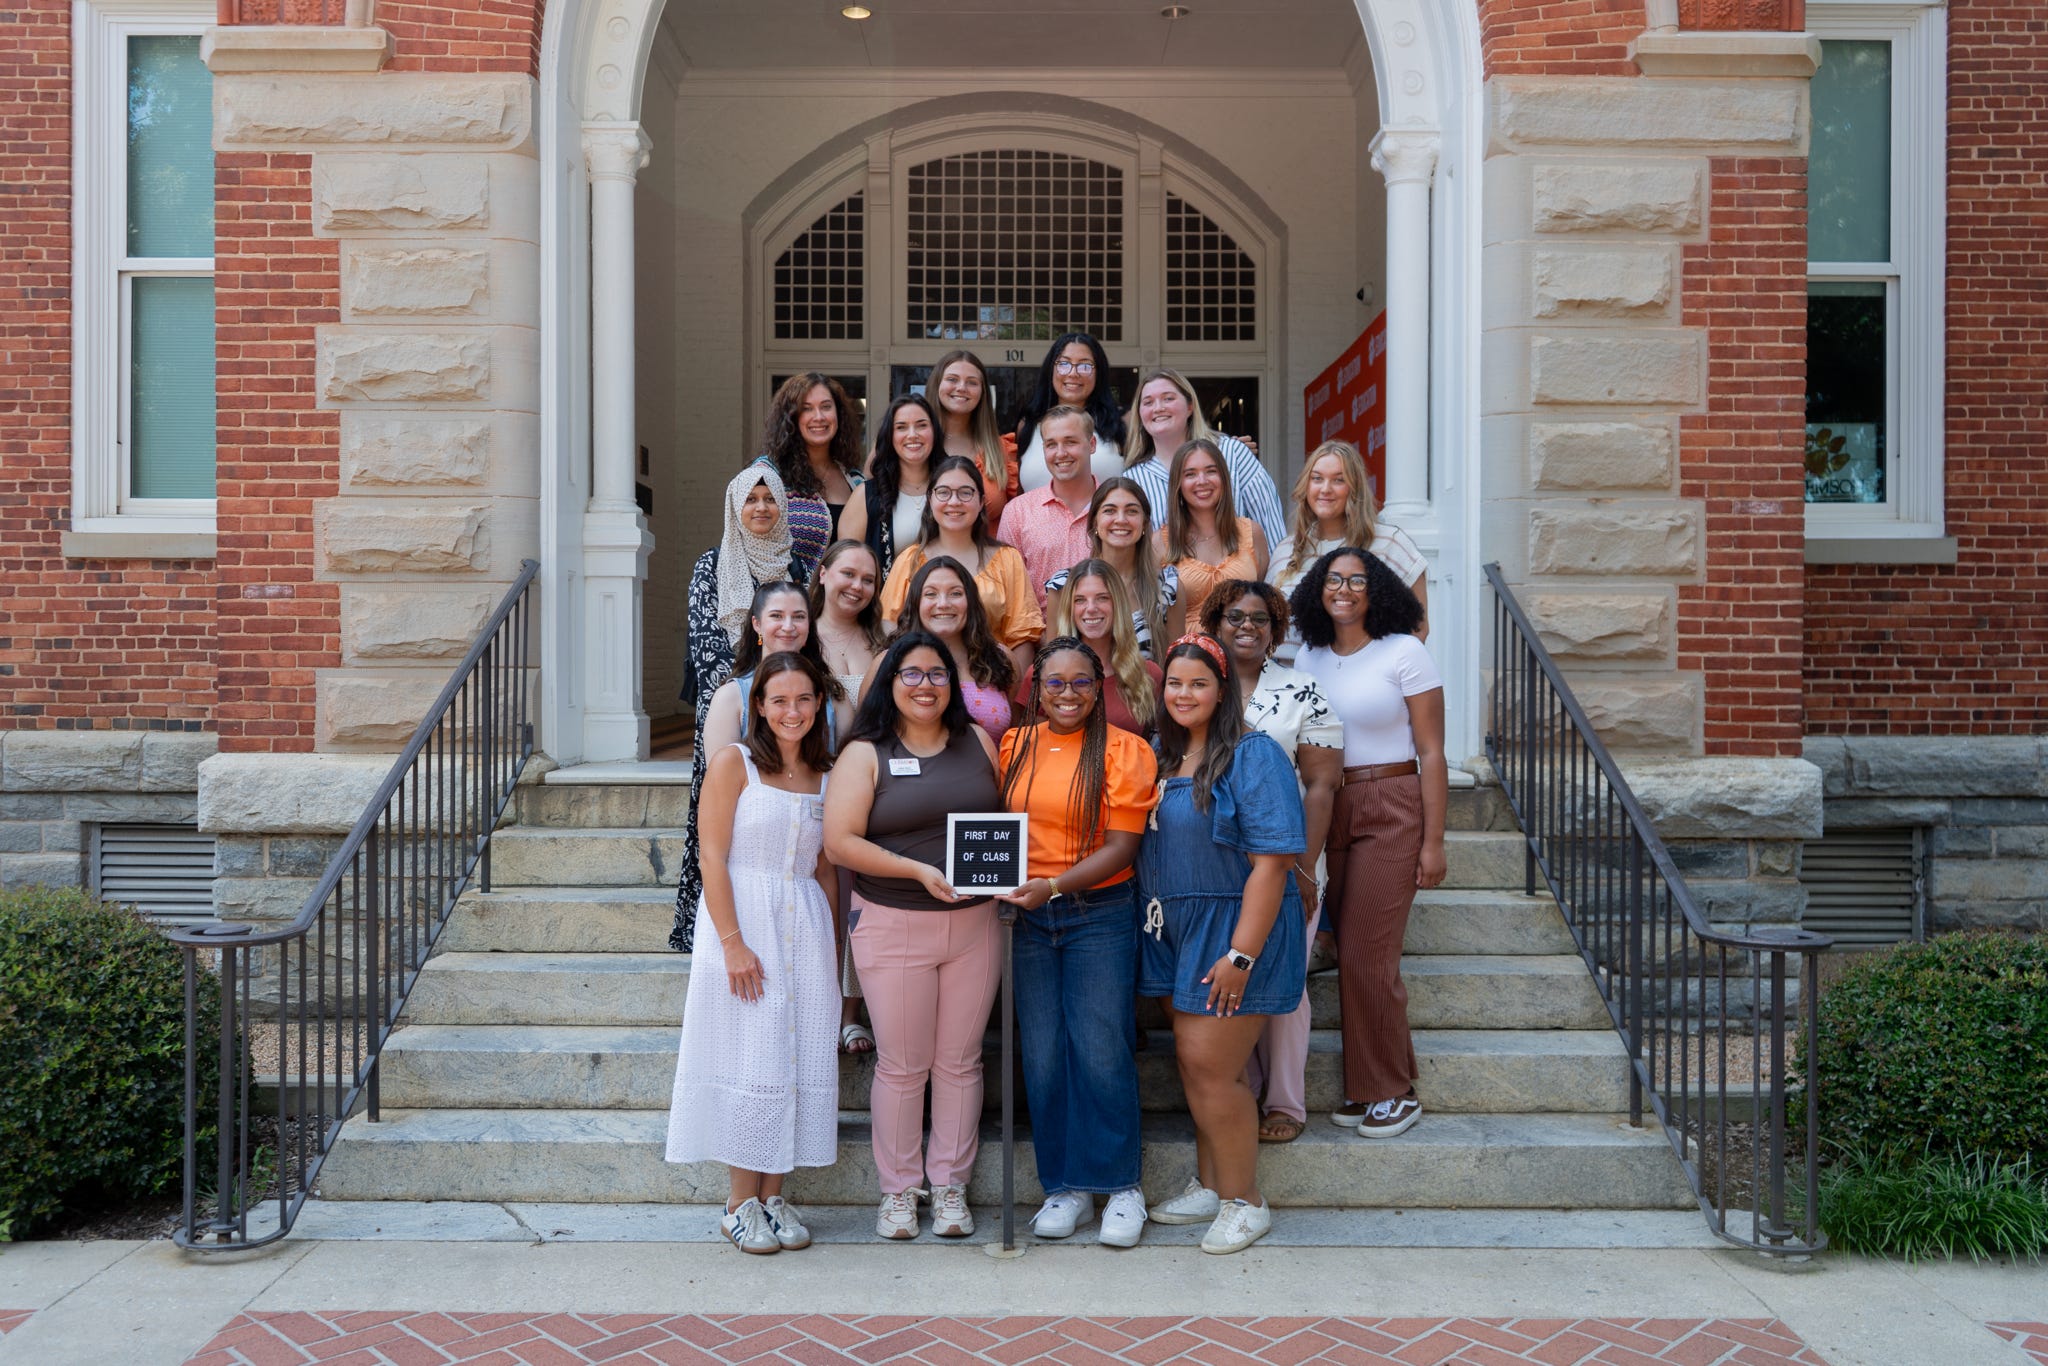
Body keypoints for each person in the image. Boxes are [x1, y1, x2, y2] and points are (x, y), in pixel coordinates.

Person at [823, 630, 1004, 1242]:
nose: (925, 685)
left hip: (976, 924)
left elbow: (1001, 823)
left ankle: (950, 1186)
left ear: (953, 685)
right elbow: (841, 842)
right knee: (903, 1066)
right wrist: (917, 871)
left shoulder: (978, 741)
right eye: (911, 674)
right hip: (893, 924)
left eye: (937, 674)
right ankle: (899, 1192)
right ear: (888, 684)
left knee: (960, 1062)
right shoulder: (863, 753)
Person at [1136, 634, 1307, 1255]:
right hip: (1173, 930)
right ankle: (1211, 1185)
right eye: (1175, 683)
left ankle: (1245, 1201)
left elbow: (1272, 863)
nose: (1184, 694)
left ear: (1222, 690)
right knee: (1193, 1064)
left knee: (1212, 1067)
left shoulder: (1253, 755)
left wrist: (1240, 956)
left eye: (1198, 684)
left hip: (1236, 929)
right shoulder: (1162, 755)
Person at [665, 652, 839, 1255]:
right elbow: (712, 855)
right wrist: (733, 944)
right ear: (758, 706)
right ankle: (738, 1204)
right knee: (754, 1057)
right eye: (779, 700)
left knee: (794, 1056)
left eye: (804, 700)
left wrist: (836, 949)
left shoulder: (825, 771)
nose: (792, 711)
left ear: (819, 705)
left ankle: (772, 1196)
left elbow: (824, 867)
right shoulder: (734, 764)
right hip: (744, 922)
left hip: (805, 925)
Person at [995, 637, 1158, 1246]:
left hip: (1096, 911)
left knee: (1100, 1047)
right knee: (1041, 1052)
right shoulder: (1014, 745)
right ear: (1035, 687)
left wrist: (1054, 885)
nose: (1068, 694)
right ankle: (1064, 1187)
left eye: (1081, 683)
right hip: (1026, 918)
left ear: (1100, 687)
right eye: (1055, 683)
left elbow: (1122, 848)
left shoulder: (1125, 750)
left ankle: (1120, 1186)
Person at [1290, 548, 1448, 1139]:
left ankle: (1392, 1092)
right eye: (1334, 580)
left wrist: (1433, 842)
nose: (1345, 589)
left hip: (1392, 802)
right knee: (1344, 946)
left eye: (1357, 580)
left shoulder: (1404, 651)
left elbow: (1432, 752)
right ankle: (1371, 1085)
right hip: (1328, 803)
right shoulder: (1310, 656)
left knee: (1368, 952)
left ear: (1376, 589)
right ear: (1318, 590)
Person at [1201, 581, 1342, 1144]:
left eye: (1260, 619)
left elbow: (1322, 785)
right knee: (1226, 977)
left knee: (1285, 984)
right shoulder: (1198, 683)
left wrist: (1305, 869)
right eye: (1234, 616)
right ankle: (1240, 1089)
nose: (1247, 626)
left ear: (1276, 630)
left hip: (1287, 862)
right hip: (1213, 864)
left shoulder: (1304, 689)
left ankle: (1284, 1099)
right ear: (1215, 623)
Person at [676, 581, 841, 952]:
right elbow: (722, 794)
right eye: (777, 616)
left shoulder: (825, 694)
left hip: (808, 848)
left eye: (799, 616)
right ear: (756, 625)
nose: (788, 626)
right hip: (752, 857)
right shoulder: (733, 694)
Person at [809, 539, 888, 1054]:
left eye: (868, 579)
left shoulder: (882, 644)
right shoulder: (799, 633)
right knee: (814, 898)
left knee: (856, 897)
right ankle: (812, 1003)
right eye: (848, 574)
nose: (856, 586)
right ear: (822, 574)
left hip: (861, 787)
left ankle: (850, 1011)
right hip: (805, 781)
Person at [877, 456, 1044, 678]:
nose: (954, 502)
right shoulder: (910, 560)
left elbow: (1022, 637)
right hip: (922, 687)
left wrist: (1011, 705)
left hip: (989, 687)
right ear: (930, 499)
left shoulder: (1007, 559)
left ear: (982, 501)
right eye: (944, 492)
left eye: (965, 493)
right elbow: (888, 626)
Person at [1269, 439, 1428, 652]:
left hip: (1364, 681)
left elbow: (1418, 628)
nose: (1325, 489)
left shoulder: (1389, 543)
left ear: (1354, 488)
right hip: (1287, 678)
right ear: (1306, 486)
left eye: (1338, 480)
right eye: (1317, 479)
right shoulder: (1284, 551)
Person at [1122, 368, 1286, 549]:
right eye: (1148, 402)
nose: (1158, 408)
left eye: (1168, 398)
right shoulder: (1133, 479)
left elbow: (1272, 530)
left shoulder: (1233, 454)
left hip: (1239, 575)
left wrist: (1279, 576)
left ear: (1190, 406)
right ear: (1139, 413)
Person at [685, 466, 798, 721]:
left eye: (770, 499)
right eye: (751, 499)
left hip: (787, 704)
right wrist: (755, 690)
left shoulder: (794, 565)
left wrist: (782, 691)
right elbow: (707, 647)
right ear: (735, 506)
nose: (761, 507)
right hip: (728, 702)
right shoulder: (711, 565)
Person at [1044, 477, 1183, 659]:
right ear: (1094, 522)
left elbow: (1176, 667)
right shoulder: (1064, 586)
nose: (1121, 519)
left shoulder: (1168, 588)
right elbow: (1052, 664)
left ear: (1144, 524)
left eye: (1131, 511)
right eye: (1109, 511)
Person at [753, 372, 865, 579]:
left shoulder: (855, 481)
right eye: (806, 408)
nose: (819, 417)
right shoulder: (768, 474)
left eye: (826, 406)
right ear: (791, 417)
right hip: (784, 604)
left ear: (838, 414)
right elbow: (751, 545)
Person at [895, 555, 1017, 743]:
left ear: (971, 601)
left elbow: (1017, 739)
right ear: (916, 602)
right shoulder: (891, 660)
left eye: (955, 593)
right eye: (930, 594)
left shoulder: (1001, 658)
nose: (943, 603)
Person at [1154, 438, 1269, 626]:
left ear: (1223, 478)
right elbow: (1155, 618)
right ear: (1178, 484)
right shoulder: (1159, 543)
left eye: (1211, 471)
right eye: (1190, 474)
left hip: (1243, 652)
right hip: (1186, 653)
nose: (1202, 481)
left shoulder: (1252, 533)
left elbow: (1264, 604)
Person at [1046, 559, 1160, 738]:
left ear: (1118, 604)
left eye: (1102, 598)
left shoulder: (1149, 675)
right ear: (1069, 608)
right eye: (1080, 600)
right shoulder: (1044, 677)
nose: (1091, 608)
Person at [996, 405, 1098, 604]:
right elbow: (1008, 591)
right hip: (1039, 633)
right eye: (1051, 444)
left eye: (1070, 442)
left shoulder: (1115, 508)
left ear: (1092, 444)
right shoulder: (1018, 512)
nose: (1060, 453)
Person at [841, 394, 937, 582]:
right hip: (887, 607)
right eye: (901, 427)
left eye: (921, 425)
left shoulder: (953, 488)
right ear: (890, 436)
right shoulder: (866, 496)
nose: (912, 434)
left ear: (935, 432)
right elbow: (847, 566)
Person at [1014, 333, 1125, 489]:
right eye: (1064, 364)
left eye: (1085, 366)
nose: (1073, 373)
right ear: (1051, 369)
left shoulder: (1119, 424)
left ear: (1099, 373)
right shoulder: (1028, 424)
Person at [928, 349, 1021, 534]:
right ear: (937, 384)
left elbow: (1014, 520)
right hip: (925, 559)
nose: (962, 387)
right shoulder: (914, 444)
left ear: (982, 392)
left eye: (972, 382)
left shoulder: (1000, 450)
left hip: (987, 560)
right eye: (952, 379)